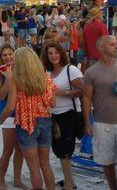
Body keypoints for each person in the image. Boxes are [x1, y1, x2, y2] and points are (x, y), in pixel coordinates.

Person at [0, 47, 56, 190]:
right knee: (45, 164)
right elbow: (53, 103)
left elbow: (10, 106)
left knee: (34, 167)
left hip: (26, 122)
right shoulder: (46, 78)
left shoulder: (16, 80)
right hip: (45, 122)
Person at [82, 35, 117, 190]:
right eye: (112, 44)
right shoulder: (91, 72)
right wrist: (87, 122)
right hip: (102, 123)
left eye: (116, 44)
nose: (116, 47)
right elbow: (87, 98)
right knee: (106, 161)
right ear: (101, 48)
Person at [41, 41, 83, 190]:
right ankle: (69, 181)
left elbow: (83, 90)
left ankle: (69, 185)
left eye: (56, 52)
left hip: (69, 114)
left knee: (65, 152)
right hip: (54, 115)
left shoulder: (70, 70)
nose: (53, 56)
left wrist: (63, 93)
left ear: (61, 53)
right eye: (50, 53)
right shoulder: (48, 72)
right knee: (59, 150)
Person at [0, 44, 26, 190]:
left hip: (22, 112)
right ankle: (1, 180)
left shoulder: (22, 70)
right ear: (0, 58)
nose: (8, 57)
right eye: (4, 55)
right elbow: (1, 95)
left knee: (20, 149)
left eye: (10, 54)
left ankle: (17, 179)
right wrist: (9, 78)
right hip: (7, 114)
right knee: (7, 150)